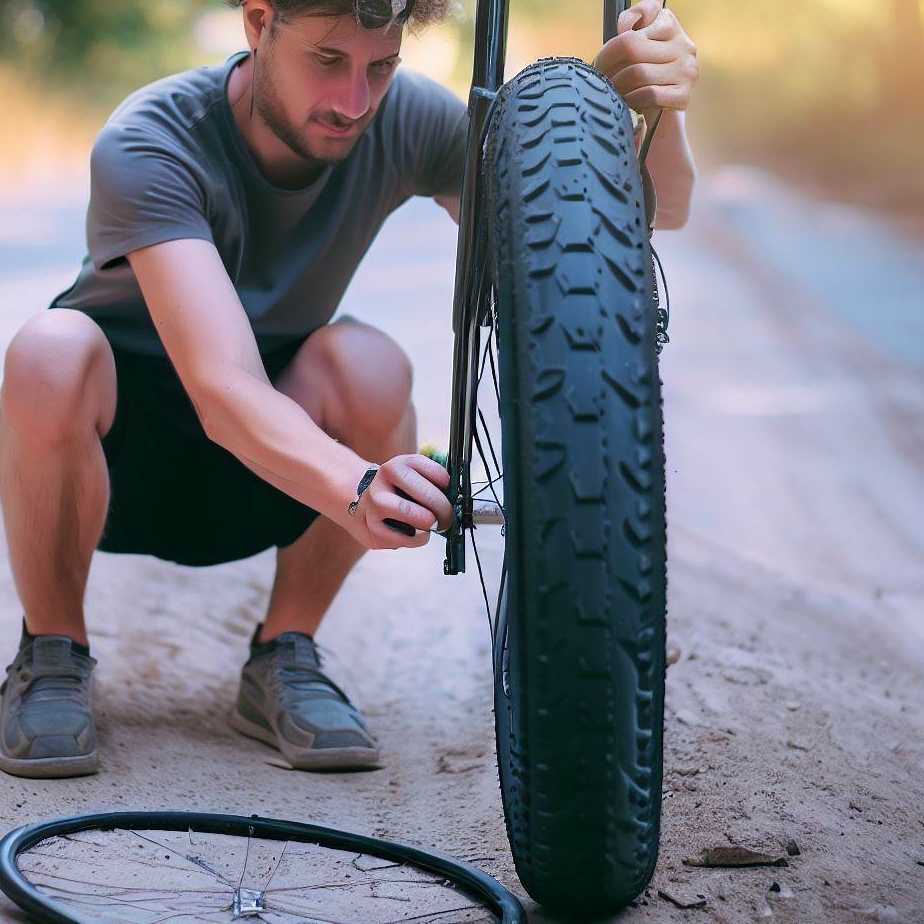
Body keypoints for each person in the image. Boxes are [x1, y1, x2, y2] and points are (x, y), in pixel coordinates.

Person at [0, 0, 698, 779]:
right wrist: (360, 484)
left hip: (279, 466)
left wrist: (640, 115)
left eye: (382, 65)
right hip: (116, 465)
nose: (354, 102)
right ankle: (52, 652)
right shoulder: (152, 140)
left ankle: (284, 654)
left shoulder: (407, 119)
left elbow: (637, 220)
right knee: (47, 353)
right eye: (327, 61)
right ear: (258, 23)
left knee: (372, 367)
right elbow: (220, 386)